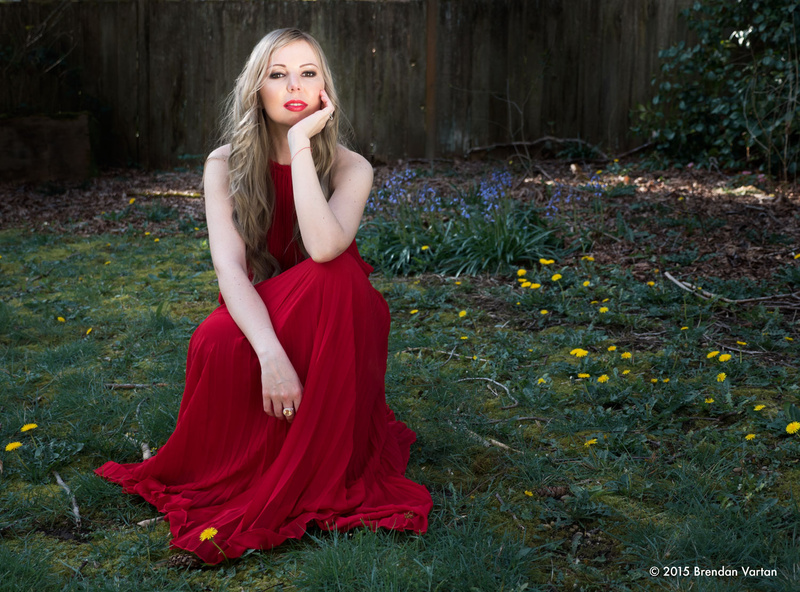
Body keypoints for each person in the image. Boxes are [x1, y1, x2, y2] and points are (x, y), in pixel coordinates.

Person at [96, 28, 432, 565]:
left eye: (308, 73)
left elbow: (324, 249)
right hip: (271, 305)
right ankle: (253, 459)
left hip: (340, 310)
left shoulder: (351, 167)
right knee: (215, 341)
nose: (293, 85)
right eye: (278, 74)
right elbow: (230, 272)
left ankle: (311, 462)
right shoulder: (224, 164)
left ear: (326, 89)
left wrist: (301, 146)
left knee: (337, 275)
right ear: (257, 88)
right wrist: (270, 356)